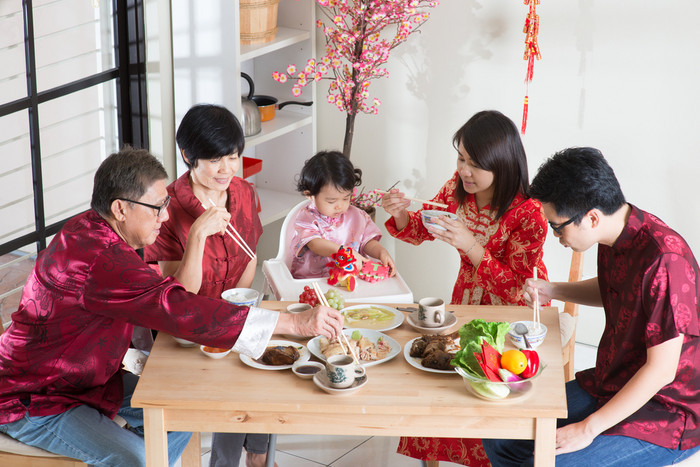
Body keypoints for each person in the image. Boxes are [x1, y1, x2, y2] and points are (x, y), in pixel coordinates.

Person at [0, 147, 343, 467]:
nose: (164, 217)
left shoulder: (92, 228)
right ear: (121, 208)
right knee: (139, 458)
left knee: (186, 412)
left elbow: (163, 297)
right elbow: (176, 307)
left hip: (87, 381)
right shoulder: (98, 257)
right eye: (157, 208)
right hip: (34, 395)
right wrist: (295, 325)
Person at [482, 147, 700, 466]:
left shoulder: (665, 260)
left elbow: (661, 371)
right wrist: (552, 288)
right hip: (612, 379)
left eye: (557, 227)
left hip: (665, 409)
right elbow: (613, 287)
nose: (555, 236)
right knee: (500, 431)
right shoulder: (617, 234)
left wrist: (587, 428)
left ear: (592, 217)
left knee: (550, 463)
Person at [381, 110, 549, 466]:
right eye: (460, 159)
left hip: (519, 313)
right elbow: (421, 229)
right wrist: (398, 214)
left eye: (475, 164)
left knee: (487, 384)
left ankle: (497, 457)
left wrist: (471, 246)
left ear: (502, 164)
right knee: (440, 379)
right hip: (468, 302)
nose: (464, 171)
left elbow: (520, 289)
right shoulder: (458, 191)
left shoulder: (529, 212)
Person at [143, 104, 270, 467]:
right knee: (236, 379)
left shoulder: (243, 192)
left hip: (230, 311)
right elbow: (179, 296)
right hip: (183, 327)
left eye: (233, 157)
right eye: (215, 160)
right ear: (188, 156)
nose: (227, 169)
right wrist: (197, 234)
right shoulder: (165, 208)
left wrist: (238, 308)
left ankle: (258, 456)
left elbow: (248, 261)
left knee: (269, 360)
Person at [290, 150, 396, 279]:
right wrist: (344, 251)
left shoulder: (357, 216)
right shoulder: (306, 217)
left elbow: (367, 241)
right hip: (314, 279)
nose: (340, 206)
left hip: (350, 278)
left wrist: (381, 252)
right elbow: (315, 244)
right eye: (331, 201)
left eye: (346, 198)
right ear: (310, 195)